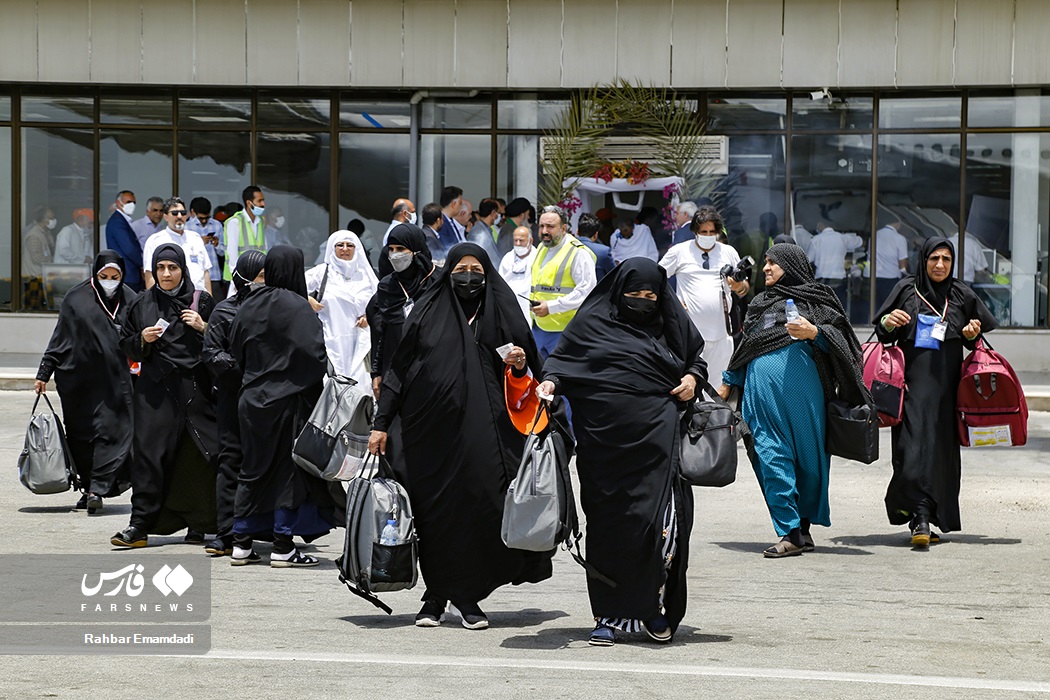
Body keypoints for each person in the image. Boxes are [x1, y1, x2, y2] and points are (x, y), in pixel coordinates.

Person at [368, 242, 554, 629]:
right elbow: (398, 372)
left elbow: (530, 378)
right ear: (448, 271)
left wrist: (518, 367)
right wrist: (381, 424)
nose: (468, 276)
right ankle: (437, 596)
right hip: (427, 433)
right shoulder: (427, 310)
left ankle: (468, 595)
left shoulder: (502, 313)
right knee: (433, 513)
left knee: (481, 508)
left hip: (486, 433)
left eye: (476, 270)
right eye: (460, 269)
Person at [536, 258, 706, 646]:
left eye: (651, 296)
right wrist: (549, 383)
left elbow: (696, 359)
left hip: (658, 442)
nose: (643, 302)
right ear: (618, 293)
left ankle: (651, 608)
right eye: (634, 295)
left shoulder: (671, 323)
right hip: (604, 447)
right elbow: (562, 363)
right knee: (609, 530)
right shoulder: (592, 323)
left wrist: (692, 379)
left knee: (660, 529)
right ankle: (609, 615)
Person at [718, 243, 866, 558]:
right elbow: (747, 346)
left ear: (792, 265)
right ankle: (789, 532)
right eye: (765, 263)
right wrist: (728, 382)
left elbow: (848, 347)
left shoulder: (820, 300)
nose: (766, 268)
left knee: (809, 465)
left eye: (774, 263)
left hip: (806, 401)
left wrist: (815, 333)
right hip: (761, 398)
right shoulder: (759, 303)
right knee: (771, 457)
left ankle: (802, 526)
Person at [874, 237, 998, 548]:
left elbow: (975, 335)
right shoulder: (905, 290)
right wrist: (889, 322)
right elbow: (882, 332)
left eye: (946, 259)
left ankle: (927, 516)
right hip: (912, 387)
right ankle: (919, 515)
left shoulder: (960, 294)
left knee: (940, 454)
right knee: (911, 451)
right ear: (923, 260)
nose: (940, 265)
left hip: (948, 389)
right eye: (933, 258)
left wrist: (972, 333)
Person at [227, 246, 344, 567]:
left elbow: (236, 349)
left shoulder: (249, 304)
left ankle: (241, 543)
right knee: (286, 474)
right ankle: (282, 545)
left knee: (251, 469)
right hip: (288, 403)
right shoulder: (299, 307)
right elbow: (315, 358)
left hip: (251, 400)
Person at [113, 244, 218, 548]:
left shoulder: (202, 301)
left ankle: (200, 523)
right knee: (148, 455)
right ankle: (140, 525)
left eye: (172, 267)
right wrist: (141, 340)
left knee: (197, 456)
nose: (167, 273)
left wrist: (203, 327)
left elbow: (225, 340)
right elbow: (124, 344)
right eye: (161, 268)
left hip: (195, 389)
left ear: (183, 269)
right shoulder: (142, 304)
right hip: (156, 391)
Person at [35, 250, 135, 515]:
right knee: (82, 437)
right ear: (96, 273)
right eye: (104, 276)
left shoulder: (132, 299)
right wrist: (43, 373)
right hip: (78, 382)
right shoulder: (76, 299)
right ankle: (88, 486)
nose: (110, 281)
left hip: (116, 383)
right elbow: (60, 338)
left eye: (116, 276)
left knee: (113, 433)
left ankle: (97, 489)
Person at [201, 249, 267, 557]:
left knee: (264, 463)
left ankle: (262, 528)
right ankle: (226, 532)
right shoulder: (223, 311)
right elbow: (211, 353)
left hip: (267, 401)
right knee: (231, 461)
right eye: (258, 276)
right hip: (233, 397)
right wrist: (246, 367)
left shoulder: (275, 309)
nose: (261, 282)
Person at [366, 224, 438, 484]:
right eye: (391, 249)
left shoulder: (437, 283)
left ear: (416, 250)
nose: (395, 255)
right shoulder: (387, 287)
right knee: (395, 442)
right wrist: (376, 371)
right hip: (396, 373)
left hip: (431, 373)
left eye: (401, 249)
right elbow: (382, 332)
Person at [660, 205, 749, 383]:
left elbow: (745, 288)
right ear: (695, 231)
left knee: (717, 386)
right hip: (689, 335)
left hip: (721, 335)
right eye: (704, 231)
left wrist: (737, 286)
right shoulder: (679, 251)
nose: (708, 236)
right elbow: (657, 277)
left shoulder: (728, 252)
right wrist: (673, 303)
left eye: (712, 232)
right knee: (688, 382)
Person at [306, 230, 379, 387]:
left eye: (350, 245)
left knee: (361, 390)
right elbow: (293, 285)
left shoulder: (366, 274)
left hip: (361, 341)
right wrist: (308, 299)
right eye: (340, 245)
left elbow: (380, 304)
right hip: (331, 339)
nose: (345, 249)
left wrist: (369, 316)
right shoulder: (322, 272)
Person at [529, 206, 597, 359]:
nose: (545, 231)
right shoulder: (542, 247)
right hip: (539, 328)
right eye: (541, 226)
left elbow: (587, 291)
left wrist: (552, 307)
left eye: (550, 227)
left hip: (566, 331)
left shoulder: (578, 252)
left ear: (564, 228)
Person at [142, 197, 213, 294]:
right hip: (169, 298)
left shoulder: (195, 238)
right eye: (174, 213)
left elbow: (205, 272)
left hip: (197, 298)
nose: (179, 216)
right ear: (166, 216)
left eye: (183, 213)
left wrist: (209, 298)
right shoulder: (155, 240)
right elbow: (149, 274)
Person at [806, 220, 864, 308]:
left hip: (822, 278)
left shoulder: (816, 240)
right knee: (839, 307)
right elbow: (860, 241)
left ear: (822, 225)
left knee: (823, 307)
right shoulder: (842, 238)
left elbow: (808, 259)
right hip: (839, 278)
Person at [223, 186, 267, 289]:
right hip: (240, 280)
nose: (263, 204)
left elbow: (264, 249)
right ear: (249, 203)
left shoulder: (260, 221)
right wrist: (237, 280)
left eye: (263, 200)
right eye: (259, 201)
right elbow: (232, 254)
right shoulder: (235, 222)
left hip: (259, 278)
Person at [187, 197, 227, 299]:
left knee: (216, 306)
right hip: (194, 276)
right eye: (201, 218)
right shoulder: (187, 227)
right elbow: (185, 251)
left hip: (214, 274)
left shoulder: (217, 225)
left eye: (207, 217)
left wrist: (217, 244)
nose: (204, 220)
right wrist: (199, 242)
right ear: (193, 212)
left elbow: (223, 253)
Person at [105, 191, 144, 292]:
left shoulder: (122, 220)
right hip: (127, 274)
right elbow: (129, 249)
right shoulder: (118, 221)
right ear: (118, 203)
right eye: (128, 202)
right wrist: (142, 264)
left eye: (134, 202)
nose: (132, 205)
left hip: (128, 274)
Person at [497, 225, 537, 323]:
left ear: (530, 241)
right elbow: (500, 283)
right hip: (509, 306)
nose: (518, 244)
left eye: (521, 240)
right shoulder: (507, 258)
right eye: (515, 240)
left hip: (529, 306)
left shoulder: (537, 257)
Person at [869, 220, 910, 309]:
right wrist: (906, 275)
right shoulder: (899, 238)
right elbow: (903, 262)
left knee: (873, 306)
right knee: (889, 307)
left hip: (872, 276)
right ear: (898, 224)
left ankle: (872, 322)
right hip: (890, 277)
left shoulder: (874, 235)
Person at [22, 205, 56, 309]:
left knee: (42, 305)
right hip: (33, 277)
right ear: (42, 219)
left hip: (41, 276)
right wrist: (52, 261)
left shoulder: (46, 233)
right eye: (51, 218)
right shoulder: (34, 235)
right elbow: (36, 258)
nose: (53, 221)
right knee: (34, 307)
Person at [576, 213, 615, 280]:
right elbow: (615, 276)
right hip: (598, 290)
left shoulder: (564, 248)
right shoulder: (603, 252)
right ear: (596, 235)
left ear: (577, 232)